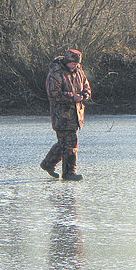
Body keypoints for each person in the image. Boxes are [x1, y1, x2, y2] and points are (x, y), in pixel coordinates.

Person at [40, 49, 91, 181]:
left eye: (77, 63)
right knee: (70, 143)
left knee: (64, 143)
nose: (75, 65)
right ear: (67, 61)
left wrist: (85, 94)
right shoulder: (55, 74)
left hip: (76, 115)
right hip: (61, 115)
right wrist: (72, 97)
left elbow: (86, 86)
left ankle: (48, 163)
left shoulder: (79, 71)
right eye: (72, 63)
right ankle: (69, 173)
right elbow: (53, 94)